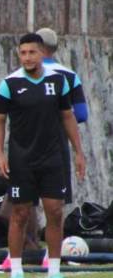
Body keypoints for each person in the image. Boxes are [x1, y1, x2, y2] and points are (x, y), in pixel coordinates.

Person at [0, 33, 86, 278]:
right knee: (20, 213)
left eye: (32, 52)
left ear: (42, 53)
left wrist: (78, 151)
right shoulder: (9, 84)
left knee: (55, 212)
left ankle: (54, 272)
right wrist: (0, 154)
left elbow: (68, 116)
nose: (27, 58)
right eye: (22, 53)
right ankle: (17, 272)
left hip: (53, 157)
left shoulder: (58, 81)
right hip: (22, 159)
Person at [36, 27, 88, 206]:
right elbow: (81, 114)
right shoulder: (70, 76)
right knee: (57, 207)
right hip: (57, 146)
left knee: (25, 204)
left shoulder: (21, 75)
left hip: (25, 147)